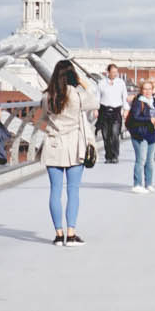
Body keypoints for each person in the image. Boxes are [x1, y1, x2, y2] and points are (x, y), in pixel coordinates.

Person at [39, 58, 98, 245]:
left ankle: (58, 234)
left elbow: (44, 114)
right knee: (73, 191)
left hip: (53, 144)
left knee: (55, 191)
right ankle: (71, 234)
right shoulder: (77, 96)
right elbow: (95, 101)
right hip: (75, 145)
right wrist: (82, 82)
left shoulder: (47, 96)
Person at [126, 78, 155, 193]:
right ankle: (137, 184)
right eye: (145, 89)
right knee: (141, 159)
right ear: (141, 90)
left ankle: (149, 183)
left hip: (152, 134)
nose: (147, 91)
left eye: (149, 89)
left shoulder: (153, 101)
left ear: (153, 90)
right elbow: (136, 117)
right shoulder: (138, 102)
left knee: (150, 161)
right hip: (140, 134)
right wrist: (149, 119)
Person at [96, 63, 128, 162]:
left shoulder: (121, 83)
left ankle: (115, 155)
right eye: (113, 72)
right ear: (108, 72)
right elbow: (97, 97)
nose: (115, 74)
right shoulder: (101, 83)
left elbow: (124, 97)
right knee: (106, 135)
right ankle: (108, 156)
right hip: (104, 110)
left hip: (116, 110)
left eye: (116, 72)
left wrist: (126, 109)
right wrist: (95, 109)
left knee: (114, 133)